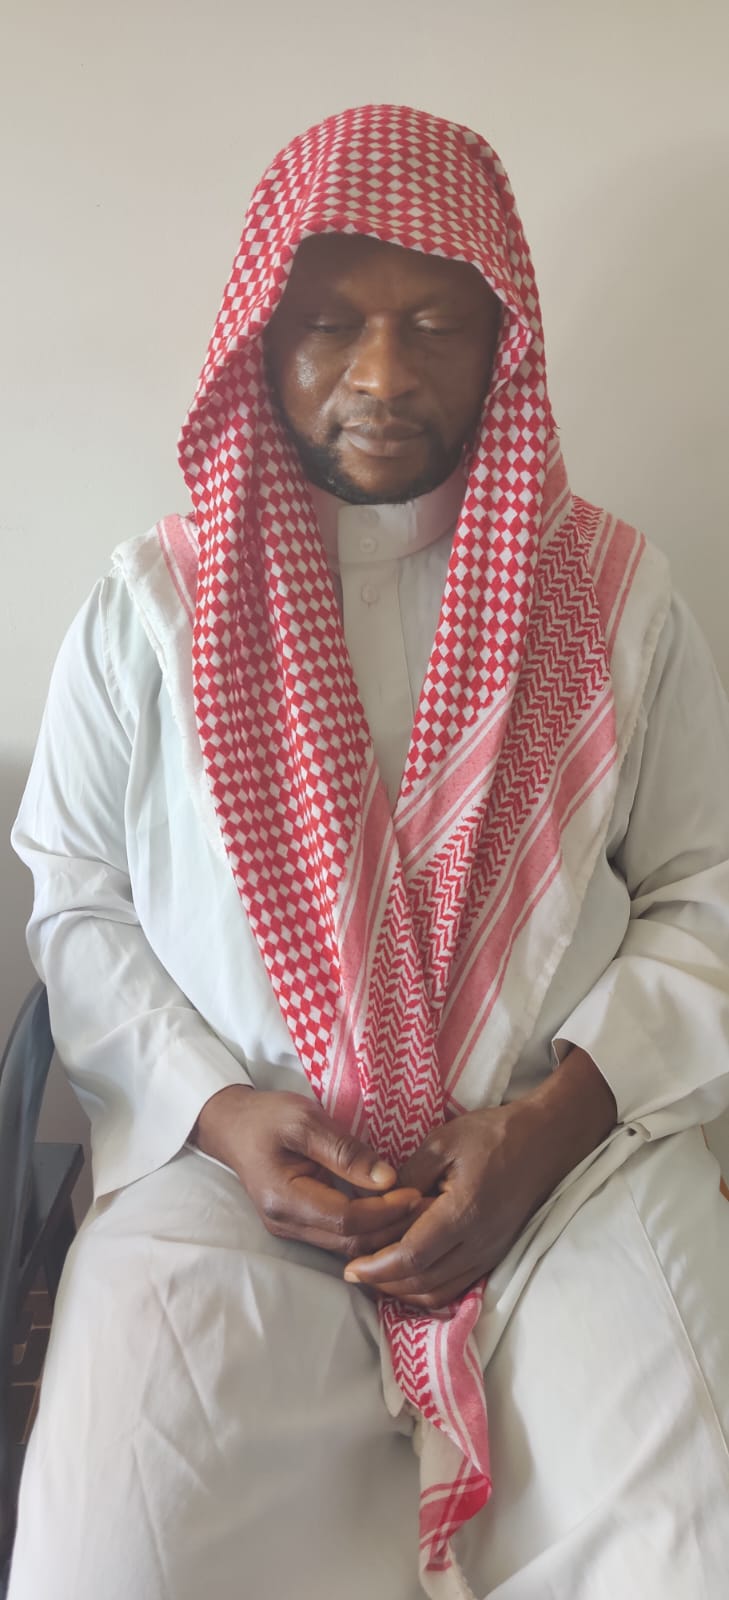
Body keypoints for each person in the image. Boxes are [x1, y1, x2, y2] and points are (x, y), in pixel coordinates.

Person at [8, 103, 729, 1600]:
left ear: (503, 343)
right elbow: (77, 900)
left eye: (436, 325)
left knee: (691, 1539)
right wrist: (219, 1118)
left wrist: (548, 1128)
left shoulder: (616, 593)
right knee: (108, 1560)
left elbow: (703, 891)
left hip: (566, 1167)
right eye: (330, 324)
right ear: (260, 345)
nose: (384, 376)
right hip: (232, 1180)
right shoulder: (151, 606)